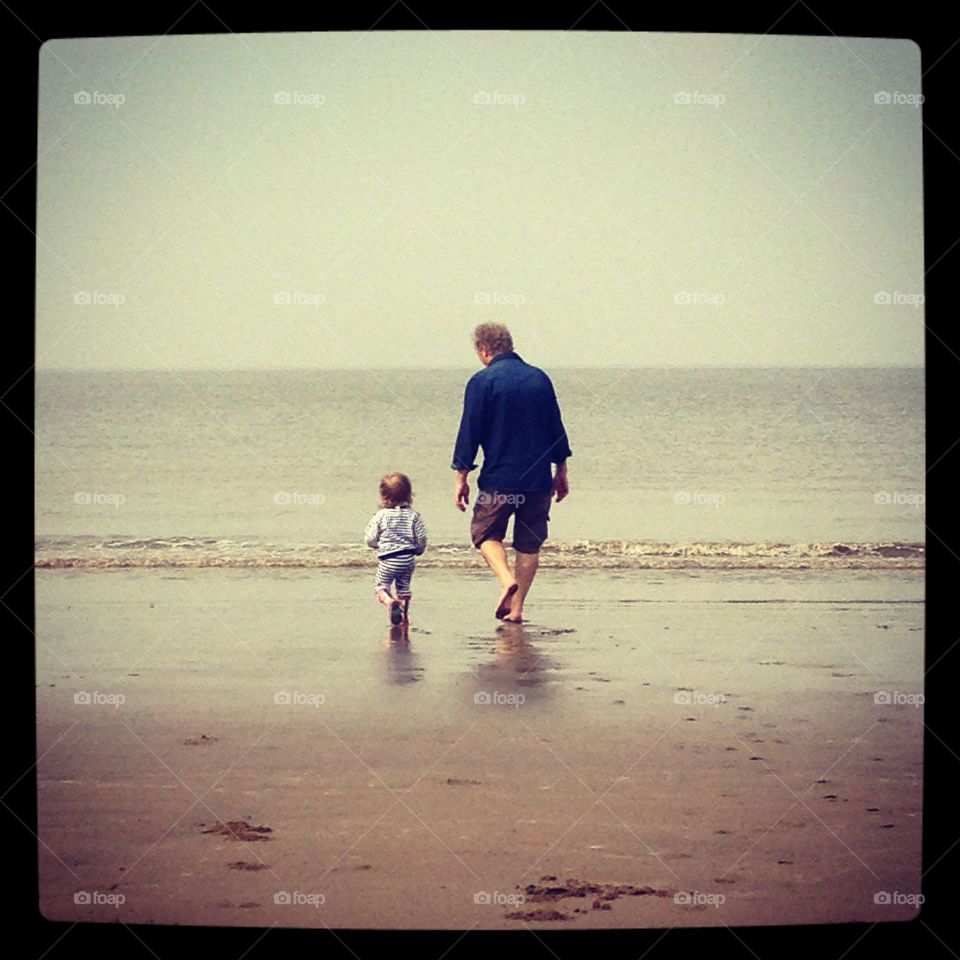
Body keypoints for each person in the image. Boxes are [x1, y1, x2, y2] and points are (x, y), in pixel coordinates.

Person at [452, 323, 571, 622]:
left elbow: (470, 431)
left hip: (500, 480)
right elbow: (555, 427)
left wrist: (461, 477)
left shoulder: (482, 382)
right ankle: (517, 610)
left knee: (484, 533)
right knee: (529, 544)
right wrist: (562, 470)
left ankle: (505, 580)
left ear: (483, 349)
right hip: (538, 479)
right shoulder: (539, 379)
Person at [364, 472, 428, 625]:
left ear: (383, 497)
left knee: (381, 587)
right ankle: (404, 618)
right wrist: (418, 550)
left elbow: (370, 538)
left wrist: (378, 545)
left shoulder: (380, 516)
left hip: (388, 560)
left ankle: (390, 603)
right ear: (409, 494)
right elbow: (422, 537)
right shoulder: (413, 516)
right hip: (407, 559)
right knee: (404, 588)